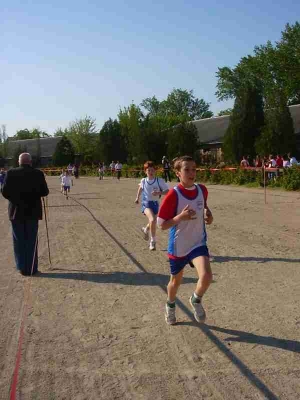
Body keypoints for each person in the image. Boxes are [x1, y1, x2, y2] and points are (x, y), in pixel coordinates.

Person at [157, 155, 213, 325]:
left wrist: (208, 215)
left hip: (197, 243)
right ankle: (170, 305)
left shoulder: (202, 190)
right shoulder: (173, 195)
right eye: (186, 169)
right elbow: (161, 224)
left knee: (207, 276)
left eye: (194, 169)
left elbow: (204, 207)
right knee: (175, 282)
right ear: (177, 173)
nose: (191, 173)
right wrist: (179, 217)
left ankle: (196, 299)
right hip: (178, 246)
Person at [1, 153, 49, 276]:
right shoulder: (38, 173)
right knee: (31, 240)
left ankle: (22, 268)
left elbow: (4, 192)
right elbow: (45, 191)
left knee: (19, 240)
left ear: (19, 162)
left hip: (16, 212)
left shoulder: (11, 173)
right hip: (32, 212)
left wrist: (15, 199)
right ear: (30, 162)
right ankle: (32, 268)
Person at [135, 161, 169, 251]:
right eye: (148, 170)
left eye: (152, 170)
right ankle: (152, 241)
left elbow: (167, 191)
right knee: (153, 219)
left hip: (155, 204)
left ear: (155, 171)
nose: (150, 172)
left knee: (152, 221)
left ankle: (146, 229)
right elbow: (140, 188)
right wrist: (137, 198)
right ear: (145, 171)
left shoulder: (159, 180)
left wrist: (159, 192)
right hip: (146, 203)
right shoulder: (144, 180)